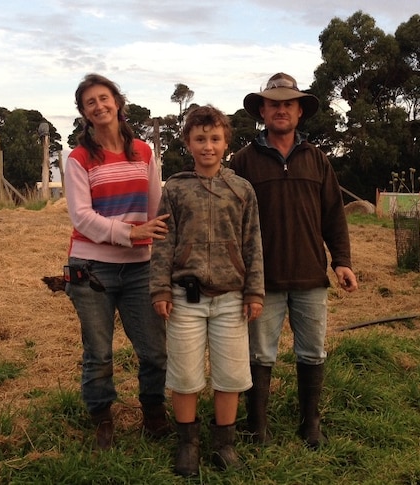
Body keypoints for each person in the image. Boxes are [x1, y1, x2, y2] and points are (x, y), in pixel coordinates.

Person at [229, 72, 359, 450]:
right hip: (260, 282)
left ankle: (310, 424)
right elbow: (230, 221)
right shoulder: (242, 161)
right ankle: (257, 428)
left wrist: (342, 261)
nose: (281, 110)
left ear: (300, 111)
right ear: (263, 112)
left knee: (313, 351)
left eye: (288, 103)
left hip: (310, 278)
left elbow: (334, 215)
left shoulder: (317, 160)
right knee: (259, 355)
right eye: (274, 104)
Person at [150, 105, 264, 477]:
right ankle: (188, 444)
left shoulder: (242, 189)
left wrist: (254, 292)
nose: (208, 146)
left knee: (230, 374)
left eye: (215, 139)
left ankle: (223, 444)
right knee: (184, 373)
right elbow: (164, 244)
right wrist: (161, 290)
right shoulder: (176, 189)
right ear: (188, 142)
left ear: (226, 142)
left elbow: (252, 244)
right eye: (200, 139)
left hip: (231, 299)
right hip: (186, 298)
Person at [64, 73, 172, 450]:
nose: (99, 105)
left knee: (155, 350)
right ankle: (102, 421)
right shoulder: (78, 158)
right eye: (90, 102)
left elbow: (158, 208)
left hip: (142, 267)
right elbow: (81, 217)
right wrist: (130, 234)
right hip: (92, 268)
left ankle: (154, 415)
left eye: (104, 98)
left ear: (117, 102)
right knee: (99, 353)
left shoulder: (143, 151)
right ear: (84, 113)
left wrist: (159, 248)